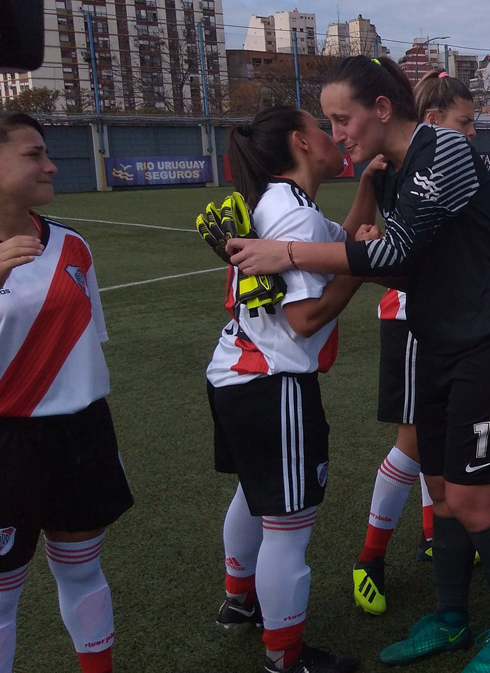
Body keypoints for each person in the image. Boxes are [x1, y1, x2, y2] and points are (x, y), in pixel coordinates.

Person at [225, 55, 490, 673]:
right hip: (440, 344)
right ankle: (451, 618)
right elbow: (402, 264)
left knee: (476, 501)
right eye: (330, 121)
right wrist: (350, 253)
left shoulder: (443, 150)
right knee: (444, 493)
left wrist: (286, 251)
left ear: (383, 109)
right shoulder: (393, 168)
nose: (337, 132)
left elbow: (393, 250)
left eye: (343, 119)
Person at [351, 68, 490, 615]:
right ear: (432, 122)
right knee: (416, 452)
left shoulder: (435, 160)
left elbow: (458, 250)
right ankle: (374, 560)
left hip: (458, 327)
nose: (473, 132)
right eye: (465, 121)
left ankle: (453, 584)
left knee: (448, 476)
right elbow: (412, 254)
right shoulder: (409, 164)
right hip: (416, 323)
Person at [0, 112, 133, 673]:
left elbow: (87, 344)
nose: (51, 164)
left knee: (84, 571)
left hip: (81, 430)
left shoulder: (72, 246)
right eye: (33, 154)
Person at [207, 106, 369, 673]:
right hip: (272, 382)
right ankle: (285, 658)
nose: (334, 136)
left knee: (255, 496)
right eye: (323, 128)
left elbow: (341, 239)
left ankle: (239, 600)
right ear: (302, 142)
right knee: (289, 527)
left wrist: (368, 188)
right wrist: (359, 270)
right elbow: (305, 319)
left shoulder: (282, 202)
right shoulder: (292, 215)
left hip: (236, 372)